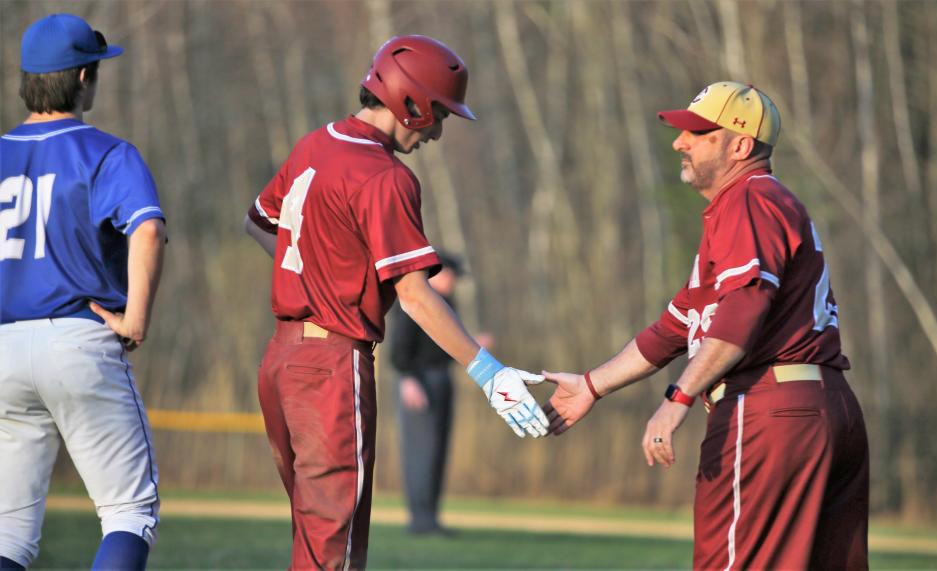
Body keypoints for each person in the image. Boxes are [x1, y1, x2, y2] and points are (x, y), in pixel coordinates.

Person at [244, 35, 548, 568]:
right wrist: (489, 371)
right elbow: (415, 295)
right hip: (332, 368)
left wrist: (320, 268)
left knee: (312, 537)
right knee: (332, 552)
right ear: (413, 103)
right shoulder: (385, 176)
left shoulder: (313, 144)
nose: (438, 130)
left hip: (281, 362)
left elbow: (257, 223)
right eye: (441, 114)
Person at [543, 82, 869, 570]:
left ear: (739, 145)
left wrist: (677, 399)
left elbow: (744, 307)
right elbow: (674, 329)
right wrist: (592, 385)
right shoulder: (747, 208)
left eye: (698, 132)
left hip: (768, 412)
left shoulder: (750, 199)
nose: (680, 142)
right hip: (825, 406)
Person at [0, 14, 166, 570]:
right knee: (128, 511)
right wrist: (135, 318)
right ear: (84, 77)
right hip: (77, 337)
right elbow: (146, 228)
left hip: (5, 348)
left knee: (9, 536)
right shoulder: (105, 152)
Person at [389, 252, 488, 536]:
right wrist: (408, 379)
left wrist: (472, 345)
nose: (454, 282)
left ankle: (430, 517)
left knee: (436, 451)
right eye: (451, 275)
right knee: (421, 451)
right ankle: (420, 519)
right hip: (419, 382)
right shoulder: (417, 303)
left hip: (440, 379)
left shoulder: (445, 304)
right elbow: (400, 349)